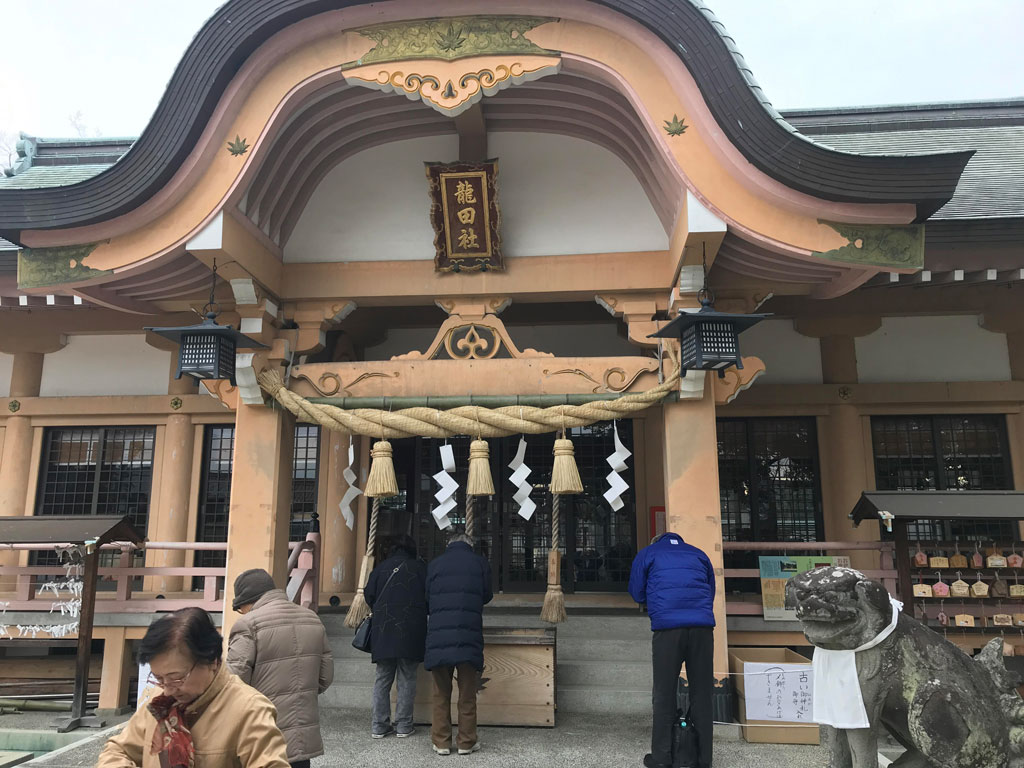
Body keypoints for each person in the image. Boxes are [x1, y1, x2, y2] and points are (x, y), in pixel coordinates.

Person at [98, 607, 290, 768]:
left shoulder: (250, 710)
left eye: (177, 678)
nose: (167, 689)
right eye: (158, 678)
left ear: (212, 661)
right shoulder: (161, 702)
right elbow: (118, 750)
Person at [226, 569, 334, 768]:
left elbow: (233, 682)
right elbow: (325, 677)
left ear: (248, 601)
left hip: (263, 736)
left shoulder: (248, 624)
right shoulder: (311, 618)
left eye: (240, 608)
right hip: (302, 737)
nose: (242, 613)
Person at [628, 533, 716, 768]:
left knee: (664, 694)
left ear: (656, 541)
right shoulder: (699, 553)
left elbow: (636, 591)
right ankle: (703, 759)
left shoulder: (648, 553)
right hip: (702, 628)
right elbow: (710, 590)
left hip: (668, 629)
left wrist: (657, 601)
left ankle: (661, 758)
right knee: (702, 694)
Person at [424, 530, 493, 756]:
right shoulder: (480, 563)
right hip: (468, 635)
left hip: (439, 636)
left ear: (449, 544)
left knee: (440, 693)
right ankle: (466, 742)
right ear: (469, 545)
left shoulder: (435, 565)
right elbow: (487, 594)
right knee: (467, 694)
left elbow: (427, 596)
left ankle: (441, 742)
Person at [364, 534, 428, 739]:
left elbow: (368, 596)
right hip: (411, 630)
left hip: (384, 630)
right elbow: (429, 597)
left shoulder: (380, 569)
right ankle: (403, 725)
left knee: (382, 679)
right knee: (407, 678)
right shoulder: (419, 569)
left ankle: (379, 725)